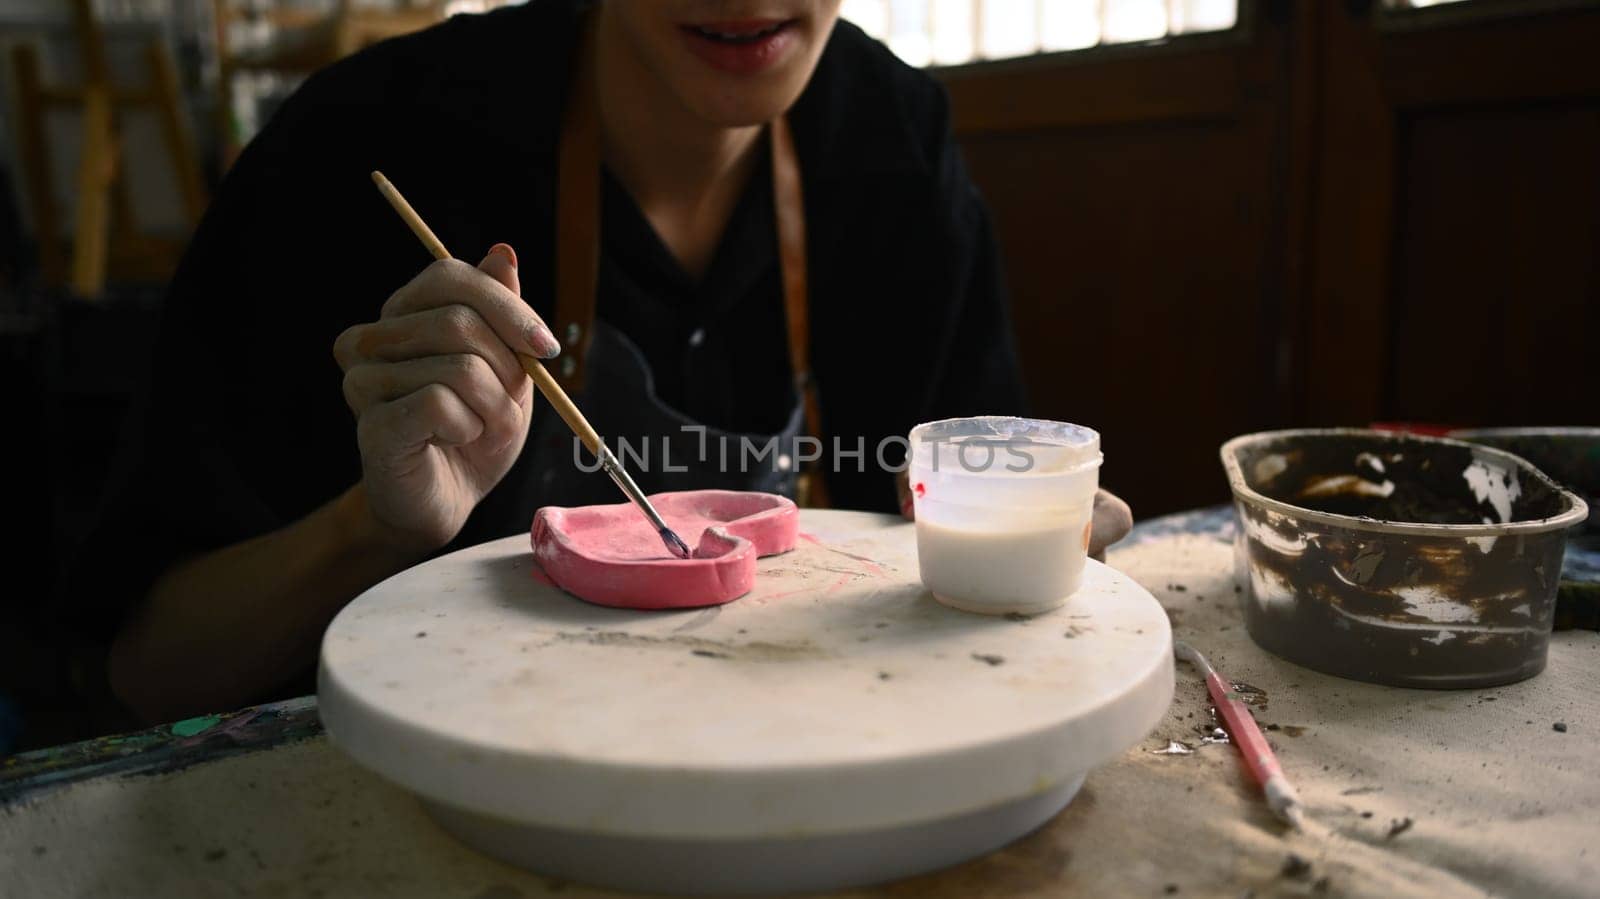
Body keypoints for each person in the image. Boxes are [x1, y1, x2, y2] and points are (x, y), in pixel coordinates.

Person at [73, 0, 1133, 725]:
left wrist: (1028, 544)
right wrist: (372, 528)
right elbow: (150, 667)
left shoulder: (895, 142)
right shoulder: (371, 143)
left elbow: (967, 530)